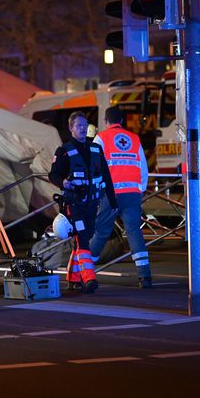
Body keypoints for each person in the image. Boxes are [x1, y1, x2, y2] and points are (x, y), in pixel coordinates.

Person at [49, 111, 117, 294]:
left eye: (85, 125)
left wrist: (112, 199)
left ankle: (73, 278)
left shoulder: (95, 149)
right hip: (74, 204)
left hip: (92, 204)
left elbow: (107, 176)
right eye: (78, 125)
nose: (83, 128)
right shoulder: (63, 151)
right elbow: (53, 175)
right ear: (71, 128)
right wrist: (62, 182)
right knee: (83, 239)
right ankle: (89, 279)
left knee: (81, 240)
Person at [90, 107, 152, 288]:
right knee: (134, 232)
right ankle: (144, 276)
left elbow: (95, 168)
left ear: (105, 121)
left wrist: (96, 191)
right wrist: (140, 189)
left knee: (101, 232)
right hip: (132, 193)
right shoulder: (134, 139)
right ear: (122, 121)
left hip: (110, 194)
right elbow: (143, 167)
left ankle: (84, 271)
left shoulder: (101, 138)